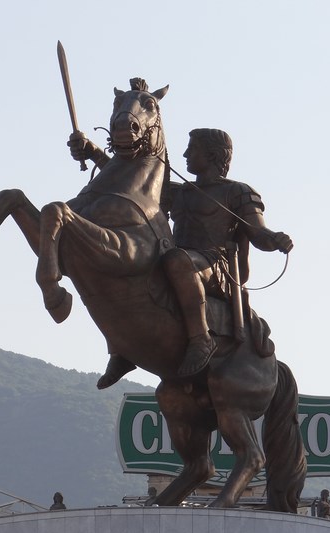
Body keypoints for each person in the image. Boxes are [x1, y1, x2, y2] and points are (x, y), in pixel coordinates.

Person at [71, 128, 293, 387]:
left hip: (216, 266)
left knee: (177, 260)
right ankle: (122, 349)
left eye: (193, 149)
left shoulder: (238, 192)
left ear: (212, 155)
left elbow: (258, 232)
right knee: (127, 265)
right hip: (176, 259)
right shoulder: (181, 192)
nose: (186, 154)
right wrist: (92, 151)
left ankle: (201, 338)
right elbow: (129, 179)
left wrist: (275, 238)